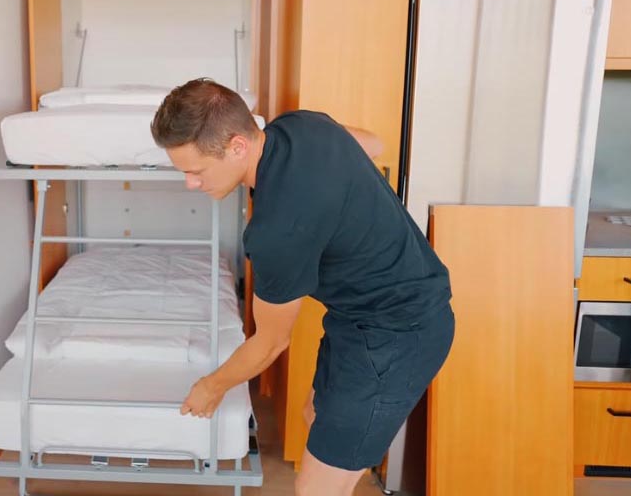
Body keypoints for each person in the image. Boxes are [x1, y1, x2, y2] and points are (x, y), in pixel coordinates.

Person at [150, 78, 454, 496]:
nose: (190, 184)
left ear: (238, 146)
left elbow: (270, 344)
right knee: (316, 415)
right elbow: (373, 143)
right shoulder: (302, 126)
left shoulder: (276, 231)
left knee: (315, 489)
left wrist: (211, 387)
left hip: (398, 334)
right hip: (361, 318)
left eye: (196, 170)